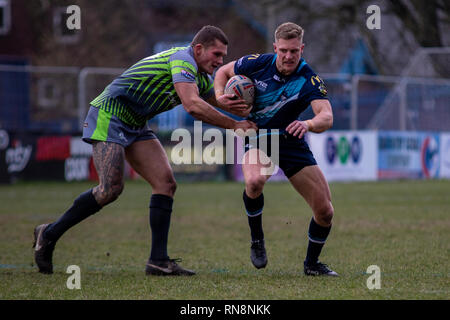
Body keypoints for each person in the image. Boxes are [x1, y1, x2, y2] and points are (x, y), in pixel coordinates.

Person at [33, 25, 257, 276]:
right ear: (198, 49)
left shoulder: (200, 78)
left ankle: (158, 261)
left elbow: (217, 103)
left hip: (136, 123)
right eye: (217, 54)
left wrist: (251, 109)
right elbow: (193, 106)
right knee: (111, 189)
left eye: (223, 57)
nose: (220, 61)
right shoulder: (182, 60)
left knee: (166, 183)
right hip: (110, 114)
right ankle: (49, 234)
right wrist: (235, 125)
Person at [214, 22, 338, 276]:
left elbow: (326, 116)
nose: (289, 56)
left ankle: (312, 265)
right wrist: (219, 96)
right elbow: (222, 73)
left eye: (294, 51)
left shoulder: (308, 79)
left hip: (291, 140)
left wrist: (308, 123)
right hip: (260, 137)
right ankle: (257, 240)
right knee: (255, 181)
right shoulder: (256, 63)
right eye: (284, 50)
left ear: (302, 48)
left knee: (325, 212)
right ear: (275, 48)